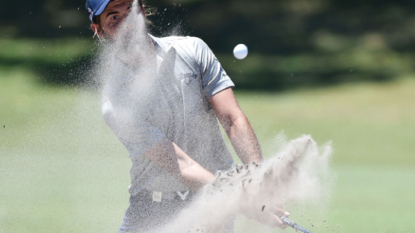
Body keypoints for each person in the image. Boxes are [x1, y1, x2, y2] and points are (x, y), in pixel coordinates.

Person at [85, 0, 289, 232]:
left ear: (142, 10)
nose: (127, 23)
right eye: (113, 17)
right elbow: (182, 164)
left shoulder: (192, 50)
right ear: (99, 31)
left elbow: (232, 119)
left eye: (130, 11)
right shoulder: (116, 103)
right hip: (152, 212)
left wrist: (259, 183)